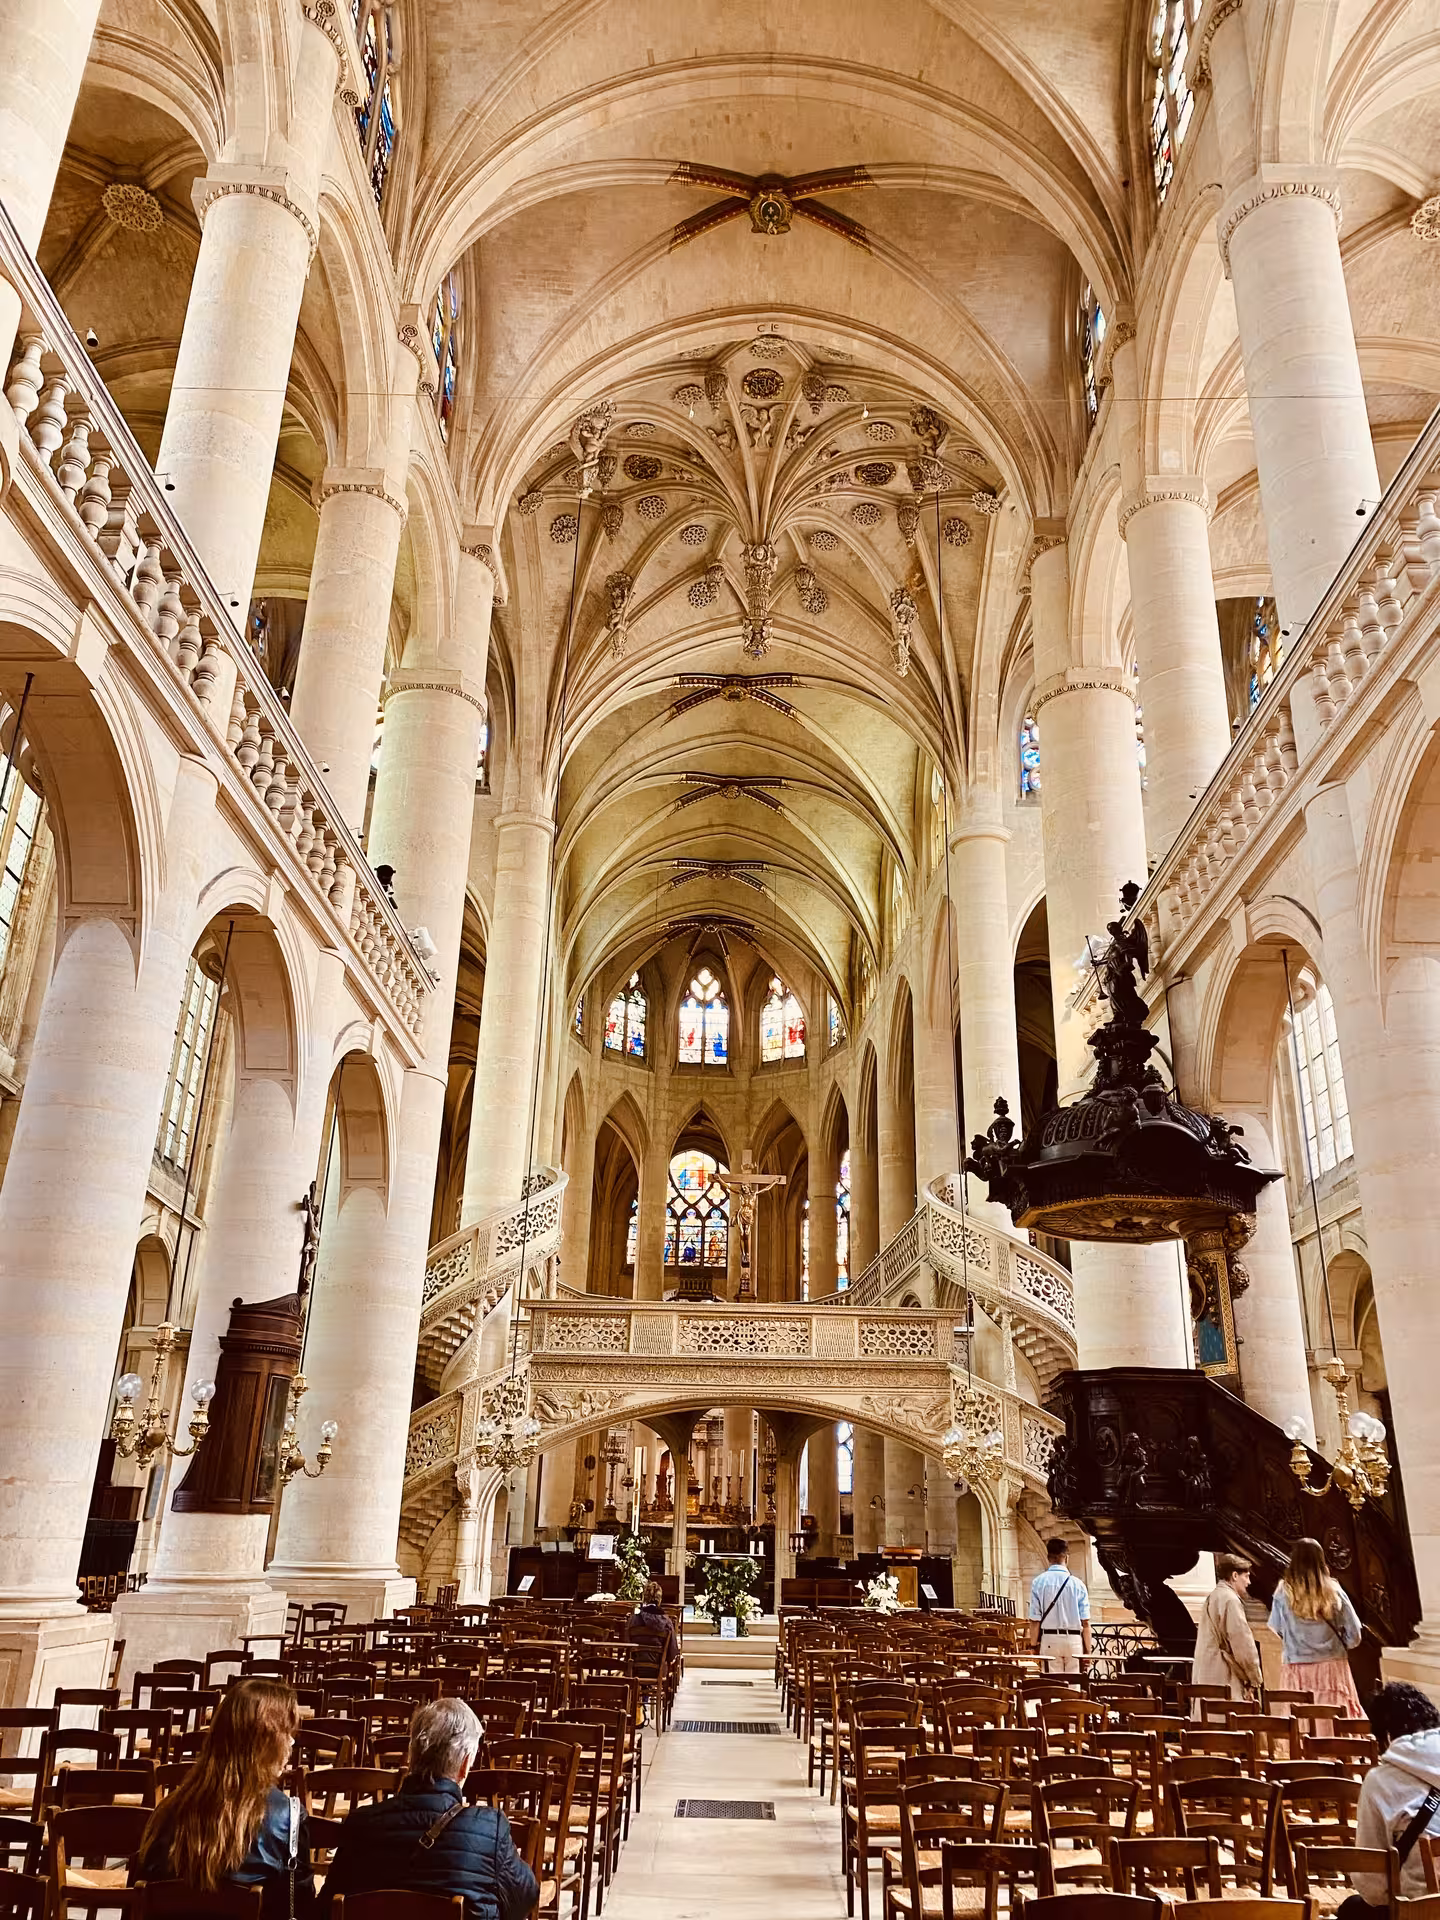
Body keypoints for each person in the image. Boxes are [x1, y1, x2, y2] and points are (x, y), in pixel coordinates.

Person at [318, 1697, 538, 1920]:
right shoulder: (491, 1828)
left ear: (412, 1756)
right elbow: (524, 1899)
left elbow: (327, 1909)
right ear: (465, 1765)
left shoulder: (360, 1824)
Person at [132, 1677, 314, 1918]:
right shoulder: (287, 1817)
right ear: (264, 1741)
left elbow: (140, 1899)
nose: (291, 1742)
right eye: (286, 1732)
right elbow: (299, 1907)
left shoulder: (166, 1810)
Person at [1341, 1683, 1440, 1914]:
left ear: (1386, 1735)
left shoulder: (1380, 1781)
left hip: (1422, 1909)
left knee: (1352, 1909)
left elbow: (1372, 1886)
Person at [1268, 1535, 1363, 1715]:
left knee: (1302, 1722)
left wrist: (1296, 1641)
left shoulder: (1283, 1592)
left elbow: (1276, 1628)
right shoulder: (1334, 1591)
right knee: (1336, 1720)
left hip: (1296, 1667)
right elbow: (1355, 1632)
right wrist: (1340, 1645)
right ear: (1321, 1560)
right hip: (1332, 1668)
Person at [1192, 1553, 1263, 1706]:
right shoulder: (1230, 1600)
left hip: (1207, 1667)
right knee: (1227, 1721)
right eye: (1247, 1576)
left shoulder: (1214, 1596)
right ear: (1235, 1575)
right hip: (1223, 1671)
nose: (1249, 1582)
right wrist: (1254, 1677)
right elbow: (1242, 1642)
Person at [1028, 1537, 1091, 1675]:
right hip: (1074, 1640)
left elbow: (1035, 1620)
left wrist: (1033, 1645)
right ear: (1066, 1557)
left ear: (1048, 1557)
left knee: (1053, 1687)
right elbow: (1085, 1623)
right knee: (1075, 1688)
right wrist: (1088, 1650)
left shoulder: (1038, 1583)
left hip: (1049, 1639)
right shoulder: (1078, 1585)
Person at [626, 1578, 680, 1666]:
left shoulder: (634, 1619)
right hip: (658, 1670)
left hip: (636, 1669)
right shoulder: (666, 1622)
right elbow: (671, 1654)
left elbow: (627, 1646)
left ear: (644, 1598)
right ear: (660, 1599)